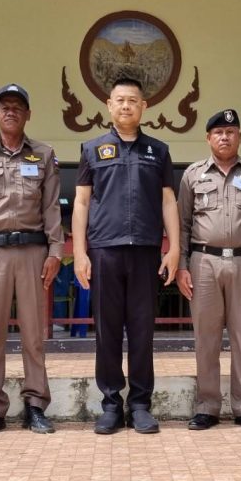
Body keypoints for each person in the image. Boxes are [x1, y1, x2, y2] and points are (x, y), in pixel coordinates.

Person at [73, 77, 180, 434]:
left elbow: (168, 201)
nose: (125, 106)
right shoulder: (92, 149)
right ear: (108, 105)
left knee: (142, 330)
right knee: (106, 331)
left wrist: (174, 248)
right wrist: (80, 252)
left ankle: (140, 404)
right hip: (104, 251)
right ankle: (110, 404)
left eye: (132, 100)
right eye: (119, 100)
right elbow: (82, 202)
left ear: (144, 106)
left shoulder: (158, 151)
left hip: (146, 251)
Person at [0, 84, 63, 435]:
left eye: (18, 106)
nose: (11, 112)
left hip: (33, 252)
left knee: (34, 335)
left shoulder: (43, 155)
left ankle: (35, 405)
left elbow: (51, 209)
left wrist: (56, 251)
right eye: (4, 106)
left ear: (28, 114)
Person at [177, 109, 241, 432]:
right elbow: (182, 224)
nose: (225, 137)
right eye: (218, 132)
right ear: (208, 138)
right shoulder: (193, 175)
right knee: (206, 338)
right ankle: (207, 406)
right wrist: (181, 266)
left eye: (230, 131)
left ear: (239, 136)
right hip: (203, 263)